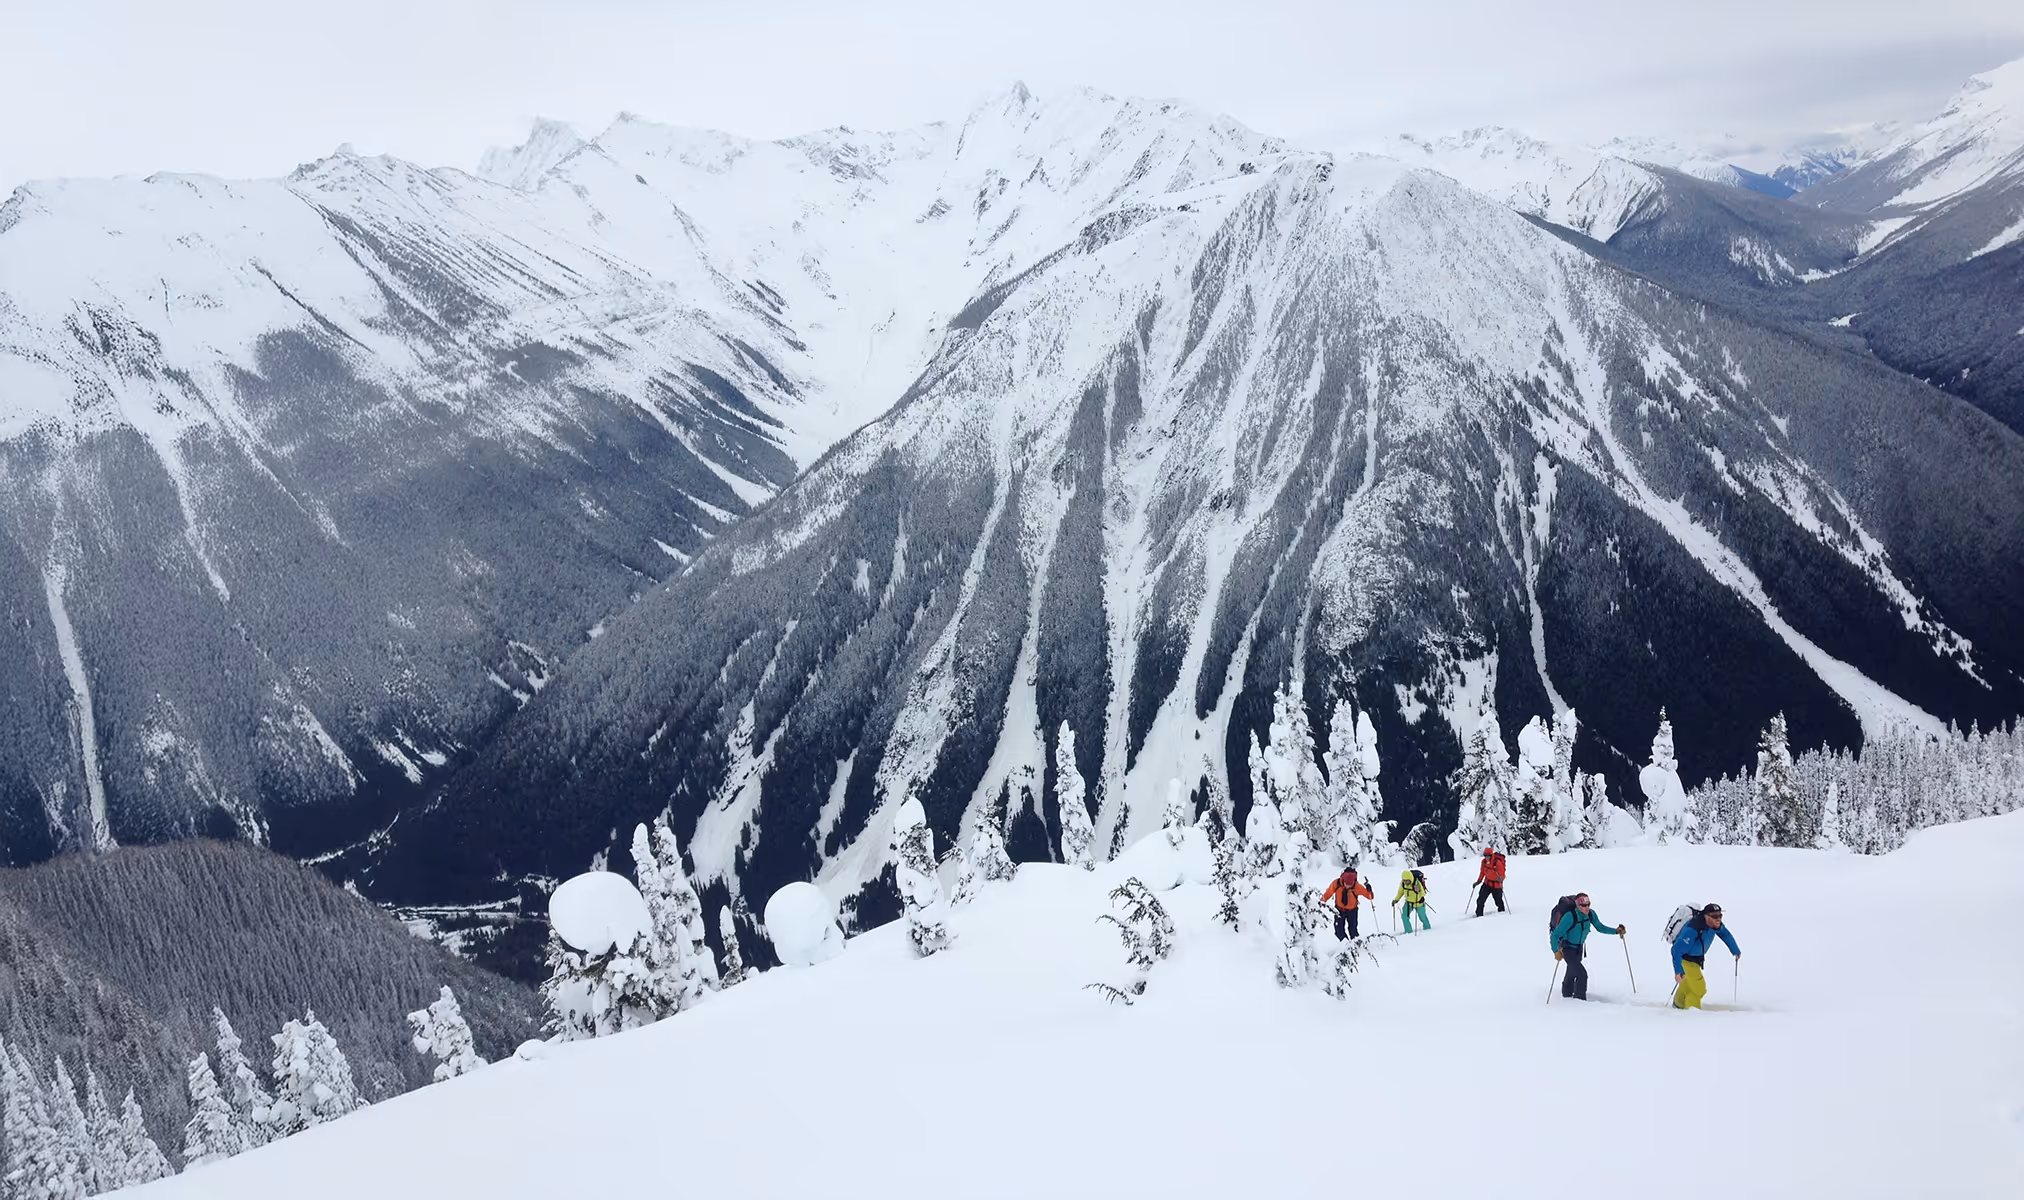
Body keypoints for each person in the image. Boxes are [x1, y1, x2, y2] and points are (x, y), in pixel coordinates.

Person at [1549, 893, 1624, 1001]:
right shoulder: (1570, 917)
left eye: (1588, 904)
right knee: (1582, 974)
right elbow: (1555, 935)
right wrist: (1556, 951)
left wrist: (1616, 931)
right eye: (1583, 906)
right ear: (1577, 906)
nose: (1587, 908)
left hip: (1579, 949)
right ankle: (1579, 1001)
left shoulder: (1591, 914)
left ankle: (1566, 994)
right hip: (1567, 948)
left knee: (1572, 971)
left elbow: (1600, 927)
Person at [1670, 903, 1740, 1010]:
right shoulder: (1693, 929)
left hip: (1697, 961)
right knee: (1699, 989)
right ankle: (1692, 1012)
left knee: (1688, 984)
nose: (1718, 919)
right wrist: (1678, 971)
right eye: (1715, 916)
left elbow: (1725, 934)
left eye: (1720, 916)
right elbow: (1676, 949)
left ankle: (1678, 1004)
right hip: (1686, 961)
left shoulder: (1715, 925)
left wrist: (1735, 950)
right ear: (1706, 916)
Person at [1319, 865, 1374, 940]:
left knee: (1353, 930)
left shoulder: (1357, 887)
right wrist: (1322, 900)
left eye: (1350, 884)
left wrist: (1369, 890)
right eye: (1346, 884)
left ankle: (1356, 945)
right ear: (1343, 880)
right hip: (1339, 910)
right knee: (1339, 931)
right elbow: (1329, 892)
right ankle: (1346, 945)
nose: (1348, 886)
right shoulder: (1336, 883)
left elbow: (1370, 896)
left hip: (1352, 911)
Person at [1474, 845, 1508, 915]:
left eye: (1488, 855)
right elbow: (1482, 872)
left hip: (1496, 885)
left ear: (1491, 855)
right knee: (1480, 900)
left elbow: (1503, 874)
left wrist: (1501, 878)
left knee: (1498, 901)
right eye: (1485, 855)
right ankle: (1479, 915)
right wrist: (1478, 881)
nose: (1487, 857)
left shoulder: (1497, 863)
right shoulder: (1483, 862)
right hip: (1487, 883)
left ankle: (1502, 914)